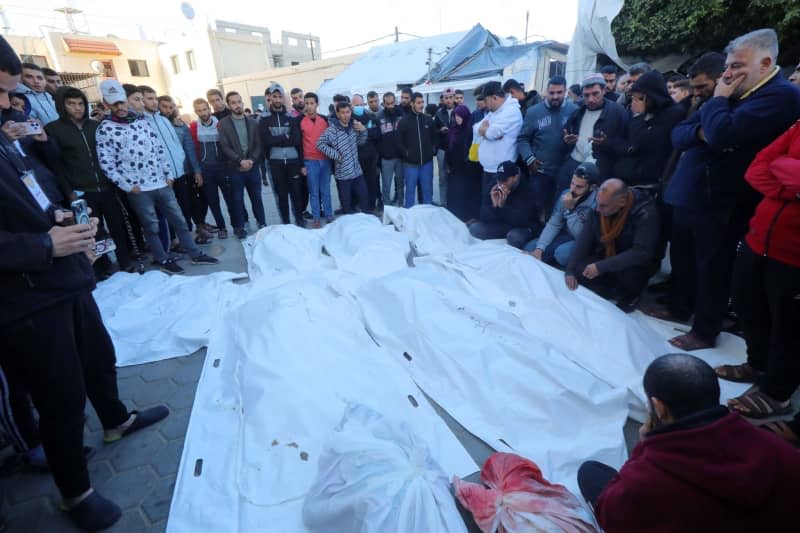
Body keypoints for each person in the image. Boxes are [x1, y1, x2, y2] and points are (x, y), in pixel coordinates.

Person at [1, 40, 170, 530]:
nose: (11, 103)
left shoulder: (11, 138)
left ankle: (116, 419)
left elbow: (35, 191)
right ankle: (75, 492)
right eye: (4, 91)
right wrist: (43, 245)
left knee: (98, 356)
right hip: (26, 297)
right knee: (60, 395)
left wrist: (60, 217)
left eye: (13, 93)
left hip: (66, 277)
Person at [665, 29, 800, 351]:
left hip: (732, 199)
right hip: (706, 193)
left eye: (737, 66)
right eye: (727, 66)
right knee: (697, 261)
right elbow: (680, 134)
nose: (727, 74)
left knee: (716, 267)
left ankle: (704, 330)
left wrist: (719, 102)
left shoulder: (779, 96)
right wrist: (706, 130)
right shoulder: (738, 92)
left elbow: (723, 134)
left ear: (766, 63)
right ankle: (695, 316)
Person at [578, 353, 800, 533]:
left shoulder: (646, 477)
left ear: (658, 406)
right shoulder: (777, 448)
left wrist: (645, 447)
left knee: (590, 473)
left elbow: (615, 516)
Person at [714, 119, 800, 421]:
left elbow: (780, 168)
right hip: (758, 239)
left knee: (788, 326)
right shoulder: (797, 127)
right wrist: (791, 185)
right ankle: (757, 363)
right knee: (747, 305)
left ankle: (776, 393)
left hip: (794, 255)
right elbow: (758, 167)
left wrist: (784, 168)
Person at [96, 80, 218, 273]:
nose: (120, 107)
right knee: (151, 227)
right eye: (114, 103)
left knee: (179, 220)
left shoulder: (142, 122)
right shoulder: (105, 128)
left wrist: (168, 174)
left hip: (161, 183)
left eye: (122, 102)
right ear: (106, 103)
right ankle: (162, 258)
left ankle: (194, 253)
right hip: (139, 190)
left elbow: (158, 149)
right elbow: (106, 162)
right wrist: (127, 186)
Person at [45, 86, 137, 276]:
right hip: (81, 190)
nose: (77, 108)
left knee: (117, 226)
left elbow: (111, 155)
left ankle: (125, 261)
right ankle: (102, 266)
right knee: (93, 231)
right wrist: (69, 192)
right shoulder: (53, 130)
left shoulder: (96, 126)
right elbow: (57, 166)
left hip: (106, 186)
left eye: (80, 103)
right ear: (62, 105)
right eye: (71, 104)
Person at [565, 178, 658, 312]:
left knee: (631, 277)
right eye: (597, 203)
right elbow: (584, 240)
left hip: (632, 263)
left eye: (603, 205)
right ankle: (608, 287)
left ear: (621, 202)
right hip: (606, 254)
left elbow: (641, 252)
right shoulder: (598, 207)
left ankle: (631, 295)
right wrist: (570, 270)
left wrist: (601, 267)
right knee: (580, 270)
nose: (598, 208)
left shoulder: (646, 213)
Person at [610, 70, 685, 188]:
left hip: (646, 181)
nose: (634, 101)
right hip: (624, 175)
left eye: (639, 98)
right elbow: (619, 138)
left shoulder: (673, 114)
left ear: (651, 96)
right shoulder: (641, 110)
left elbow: (641, 142)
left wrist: (638, 115)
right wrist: (629, 148)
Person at [517, 75, 577, 222]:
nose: (555, 96)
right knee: (538, 207)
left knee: (561, 208)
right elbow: (523, 139)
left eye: (559, 92)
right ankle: (535, 236)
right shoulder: (533, 112)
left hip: (565, 170)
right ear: (546, 92)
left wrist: (573, 141)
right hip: (540, 170)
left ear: (565, 92)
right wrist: (529, 158)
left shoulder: (574, 110)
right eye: (552, 93)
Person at [558, 73, 628, 192]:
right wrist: (566, 141)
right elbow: (565, 135)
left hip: (600, 171)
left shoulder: (618, 113)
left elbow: (626, 146)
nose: (590, 99)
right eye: (586, 95)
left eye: (595, 94)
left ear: (604, 90)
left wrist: (607, 143)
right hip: (573, 165)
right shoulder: (577, 111)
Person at [157, 95, 211, 243]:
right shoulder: (153, 126)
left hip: (185, 171)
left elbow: (189, 149)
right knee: (174, 207)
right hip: (166, 176)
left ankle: (198, 227)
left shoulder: (180, 126)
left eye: (171, 107)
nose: (168, 110)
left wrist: (196, 171)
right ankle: (177, 237)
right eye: (164, 107)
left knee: (193, 201)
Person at [524, 162, 599, 266]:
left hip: (584, 242)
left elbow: (584, 237)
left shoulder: (598, 203)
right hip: (567, 235)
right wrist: (540, 248)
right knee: (531, 247)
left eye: (579, 187)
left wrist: (571, 210)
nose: (573, 189)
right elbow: (554, 224)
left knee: (562, 254)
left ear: (592, 187)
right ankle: (549, 257)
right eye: (572, 183)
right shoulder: (566, 194)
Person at [219, 91, 266, 237]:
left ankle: (262, 222)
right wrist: (240, 161)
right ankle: (239, 227)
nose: (237, 105)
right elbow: (224, 146)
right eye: (233, 102)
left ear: (242, 103)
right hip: (235, 168)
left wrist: (251, 160)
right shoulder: (223, 124)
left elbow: (259, 144)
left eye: (239, 102)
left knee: (256, 198)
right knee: (237, 199)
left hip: (252, 167)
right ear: (228, 105)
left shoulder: (252, 122)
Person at [259, 83, 304, 226]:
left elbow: (296, 139)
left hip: (292, 161)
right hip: (275, 162)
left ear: (283, 98)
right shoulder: (264, 118)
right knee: (282, 195)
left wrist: (276, 138)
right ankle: (285, 222)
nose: (277, 100)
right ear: (270, 98)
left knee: (296, 193)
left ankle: (299, 219)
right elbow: (266, 141)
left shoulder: (291, 117)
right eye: (274, 97)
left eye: (280, 97)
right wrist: (285, 136)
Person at [468, 161, 538, 248]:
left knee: (514, 237)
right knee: (475, 229)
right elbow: (483, 217)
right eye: (499, 179)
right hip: (503, 224)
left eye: (505, 180)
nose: (501, 184)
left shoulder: (527, 187)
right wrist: (494, 206)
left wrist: (502, 206)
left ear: (515, 177)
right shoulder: (494, 184)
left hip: (522, 226)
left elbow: (522, 221)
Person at [190, 98, 233, 239]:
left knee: (230, 198)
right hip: (206, 170)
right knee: (213, 201)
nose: (202, 113)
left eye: (204, 109)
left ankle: (237, 225)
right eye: (199, 110)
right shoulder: (195, 127)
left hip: (223, 167)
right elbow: (193, 150)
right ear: (195, 112)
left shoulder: (220, 124)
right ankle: (222, 228)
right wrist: (198, 170)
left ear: (209, 109)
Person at [316, 101, 369, 214]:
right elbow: (320, 143)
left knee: (364, 200)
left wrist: (363, 130)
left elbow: (360, 142)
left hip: (357, 172)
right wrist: (336, 155)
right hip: (343, 176)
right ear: (338, 114)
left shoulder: (354, 126)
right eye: (343, 113)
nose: (346, 115)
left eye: (348, 112)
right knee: (347, 206)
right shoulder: (332, 130)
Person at [476, 81, 523, 199]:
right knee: (487, 206)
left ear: (495, 98)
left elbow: (492, 133)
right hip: (488, 170)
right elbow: (475, 128)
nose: (485, 105)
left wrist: (486, 131)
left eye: (486, 101)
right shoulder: (494, 112)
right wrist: (484, 130)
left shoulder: (511, 111)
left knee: (497, 207)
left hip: (502, 173)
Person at [396, 92, 437, 208]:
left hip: (427, 164)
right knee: (410, 191)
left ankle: (428, 213)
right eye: (419, 103)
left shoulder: (428, 120)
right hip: (410, 164)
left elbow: (435, 137)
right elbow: (399, 142)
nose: (421, 105)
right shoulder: (404, 121)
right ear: (412, 104)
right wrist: (407, 153)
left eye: (422, 102)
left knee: (427, 190)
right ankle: (409, 215)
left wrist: (432, 150)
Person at [299, 92, 331, 227]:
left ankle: (329, 215)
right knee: (314, 192)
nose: (309, 106)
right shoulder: (300, 122)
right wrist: (302, 165)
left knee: (326, 190)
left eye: (312, 103)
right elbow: (298, 144)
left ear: (317, 104)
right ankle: (316, 218)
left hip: (325, 160)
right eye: (307, 103)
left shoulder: (324, 120)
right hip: (310, 161)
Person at [445, 103, 481, 221]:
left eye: (460, 116)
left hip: (466, 169)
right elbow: (448, 148)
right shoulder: (453, 130)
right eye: (456, 116)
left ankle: (465, 217)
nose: (457, 118)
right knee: (453, 193)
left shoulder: (470, 131)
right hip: (454, 168)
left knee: (465, 193)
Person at [351, 93, 381, 212]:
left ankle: (371, 206)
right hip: (356, 157)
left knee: (372, 182)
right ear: (351, 105)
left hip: (371, 156)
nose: (358, 106)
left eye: (360, 104)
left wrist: (365, 130)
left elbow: (378, 134)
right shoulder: (348, 119)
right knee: (357, 183)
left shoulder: (371, 117)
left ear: (363, 104)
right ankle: (358, 205)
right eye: (356, 105)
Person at [377, 91, 405, 206]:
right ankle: (387, 207)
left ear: (395, 102)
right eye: (387, 103)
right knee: (386, 185)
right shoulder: (379, 116)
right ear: (383, 103)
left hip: (400, 157)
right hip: (386, 158)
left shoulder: (401, 114)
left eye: (392, 103)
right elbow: (377, 138)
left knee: (400, 183)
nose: (390, 106)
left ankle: (400, 204)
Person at [434, 88, 456, 206]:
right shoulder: (438, 113)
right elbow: (434, 130)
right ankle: (443, 203)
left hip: (455, 149)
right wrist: (440, 130)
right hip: (442, 149)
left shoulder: (460, 110)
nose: (448, 100)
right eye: (446, 98)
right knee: (442, 177)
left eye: (450, 97)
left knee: (454, 176)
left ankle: (453, 201)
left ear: (454, 97)